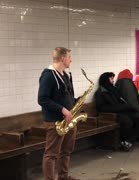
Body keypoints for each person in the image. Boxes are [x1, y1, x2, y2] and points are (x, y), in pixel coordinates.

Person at [38, 47, 80, 180]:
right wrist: (62, 109)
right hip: (55, 121)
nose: (71, 60)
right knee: (51, 154)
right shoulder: (48, 75)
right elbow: (42, 99)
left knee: (66, 150)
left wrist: (76, 102)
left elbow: (65, 95)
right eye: (69, 57)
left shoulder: (65, 75)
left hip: (68, 119)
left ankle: (63, 176)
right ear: (63, 59)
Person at [94, 72, 139, 151]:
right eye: (111, 78)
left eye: (113, 78)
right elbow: (102, 108)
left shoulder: (114, 89)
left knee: (138, 118)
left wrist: (128, 107)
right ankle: (123, 141)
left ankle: (128, 141)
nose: (113, 80)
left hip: (120, 111)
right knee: (127, 121)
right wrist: (120, 108)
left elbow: (121, 100)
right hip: (111, 115)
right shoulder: (100, 93)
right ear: (105, 80)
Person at [115, 69, 139, 140]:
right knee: (137, 120)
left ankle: (128, 140)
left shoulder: (120, 83)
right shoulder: (128, 83)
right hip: (131, 111)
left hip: (125, 111)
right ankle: (131, 140)